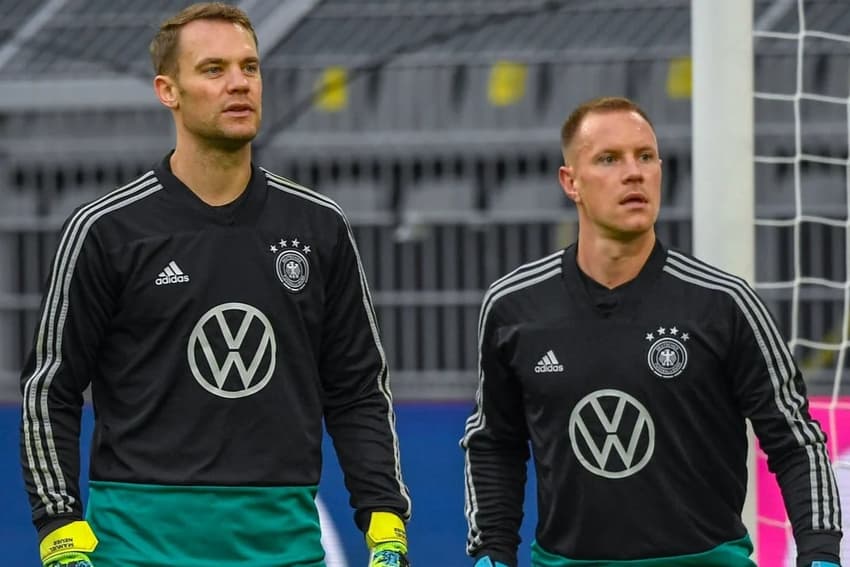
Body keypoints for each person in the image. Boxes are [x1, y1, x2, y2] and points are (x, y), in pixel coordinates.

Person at [20, 3, 411, 566]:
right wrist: (59, 525)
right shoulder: (106, 231)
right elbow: (49, 387)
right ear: (167, 90)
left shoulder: (318, 227)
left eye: (249, 68)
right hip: (137, 548)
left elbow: (357, 387)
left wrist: (385, 519)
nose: (239, 84)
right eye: (213, 70)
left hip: (283, 548)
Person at [461, 96, 843, 566]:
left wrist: (820, 551)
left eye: (645, 156)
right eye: (609, 159)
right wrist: (492, 551)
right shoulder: (513, 306)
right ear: (571, 182)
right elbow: (494, 442)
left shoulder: (725, 304)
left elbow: (795, 439)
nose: (634, 172)